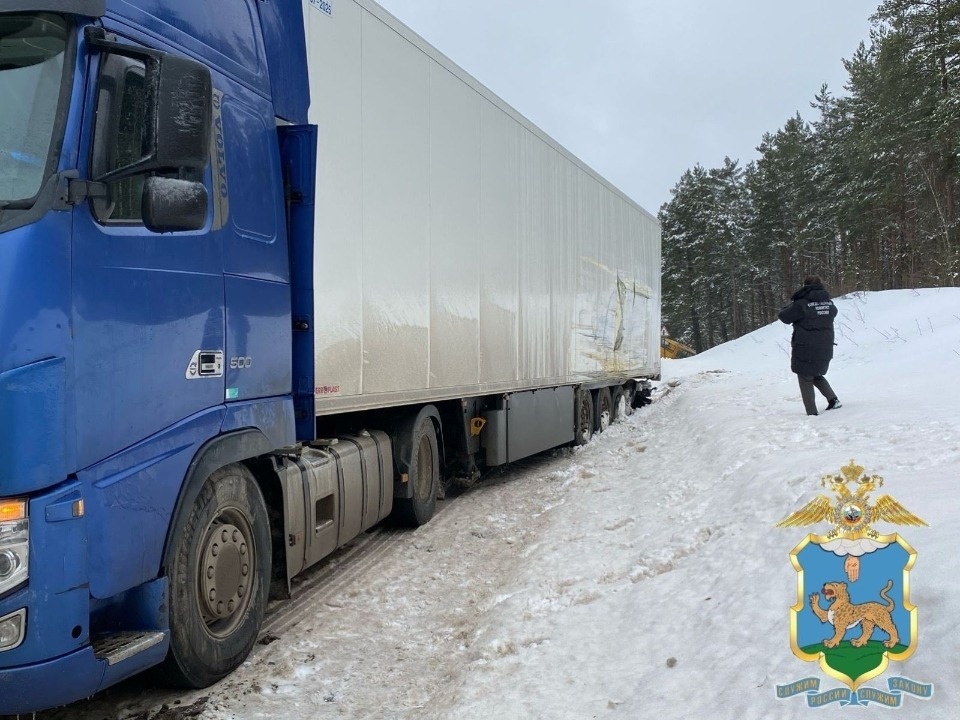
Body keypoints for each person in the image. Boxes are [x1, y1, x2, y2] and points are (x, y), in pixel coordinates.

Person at [778, 274, 842, 416]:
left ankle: (811, 413)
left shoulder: (801, 303)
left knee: (805, 375)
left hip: (805, 346)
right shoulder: (830, 303)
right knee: (815, 373)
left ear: (805, 286)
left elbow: (784, 316)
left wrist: (789, 305)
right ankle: (833, 400)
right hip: (825, 344)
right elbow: (833, 313)